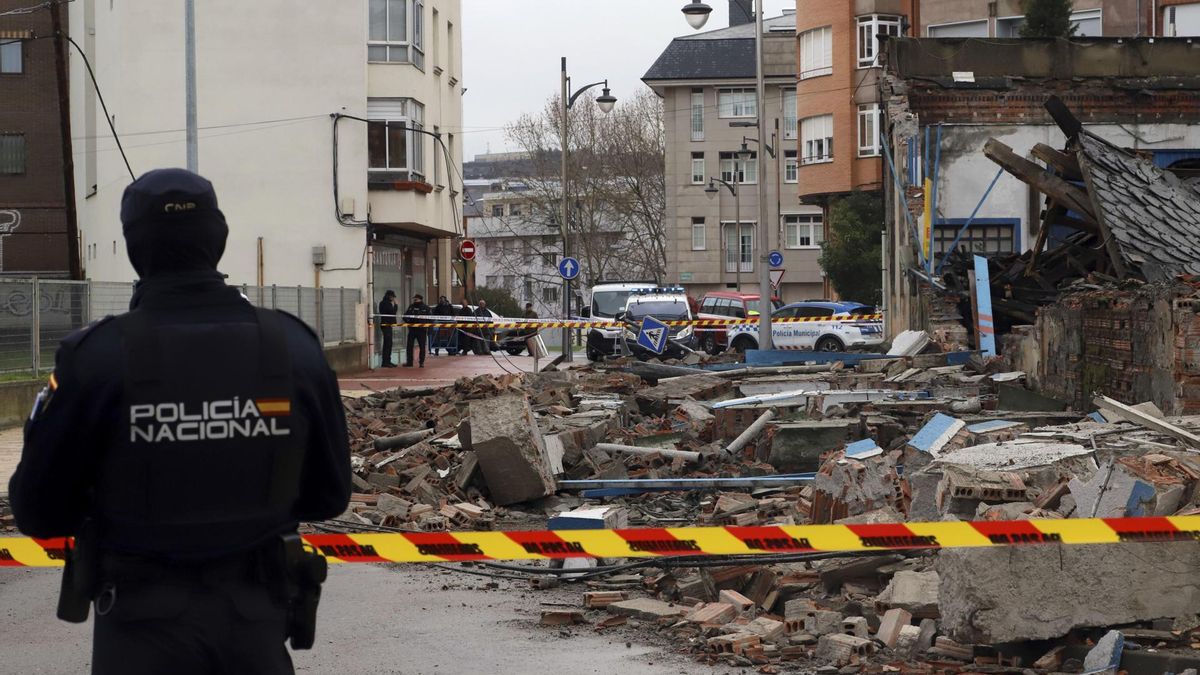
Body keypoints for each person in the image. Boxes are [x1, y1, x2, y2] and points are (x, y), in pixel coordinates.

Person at [8, 168, 352, 675]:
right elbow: (330, 496)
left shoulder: (96, 357)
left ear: (132, 246)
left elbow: (38, 510)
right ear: (220, 238)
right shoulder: (293, 347)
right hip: (256, 624)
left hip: (139, 631)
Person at [403, 294, 431, 367]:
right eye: (414, 299)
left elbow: (431, 318)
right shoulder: (411, 307)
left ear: (420, 299)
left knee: (422, 346)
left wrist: (425, 325)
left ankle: (421, 362)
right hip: (412, 329)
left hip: (421, 330)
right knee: (409, 346)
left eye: (416, 299)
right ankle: (409, 362)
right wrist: (408, 322)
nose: (415, 300)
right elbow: (405, 316)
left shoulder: (426, 308)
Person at [378, 290, 398, 368]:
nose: (393, 298)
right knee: (388, 343)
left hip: (386, 325)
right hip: (386, 325)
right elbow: (393, 312)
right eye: (393, 297)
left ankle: (387, 361)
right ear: (390, 296)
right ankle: (386, 362)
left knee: (388, 343)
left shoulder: (383, 303)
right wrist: (396, 305)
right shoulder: (386, 303)